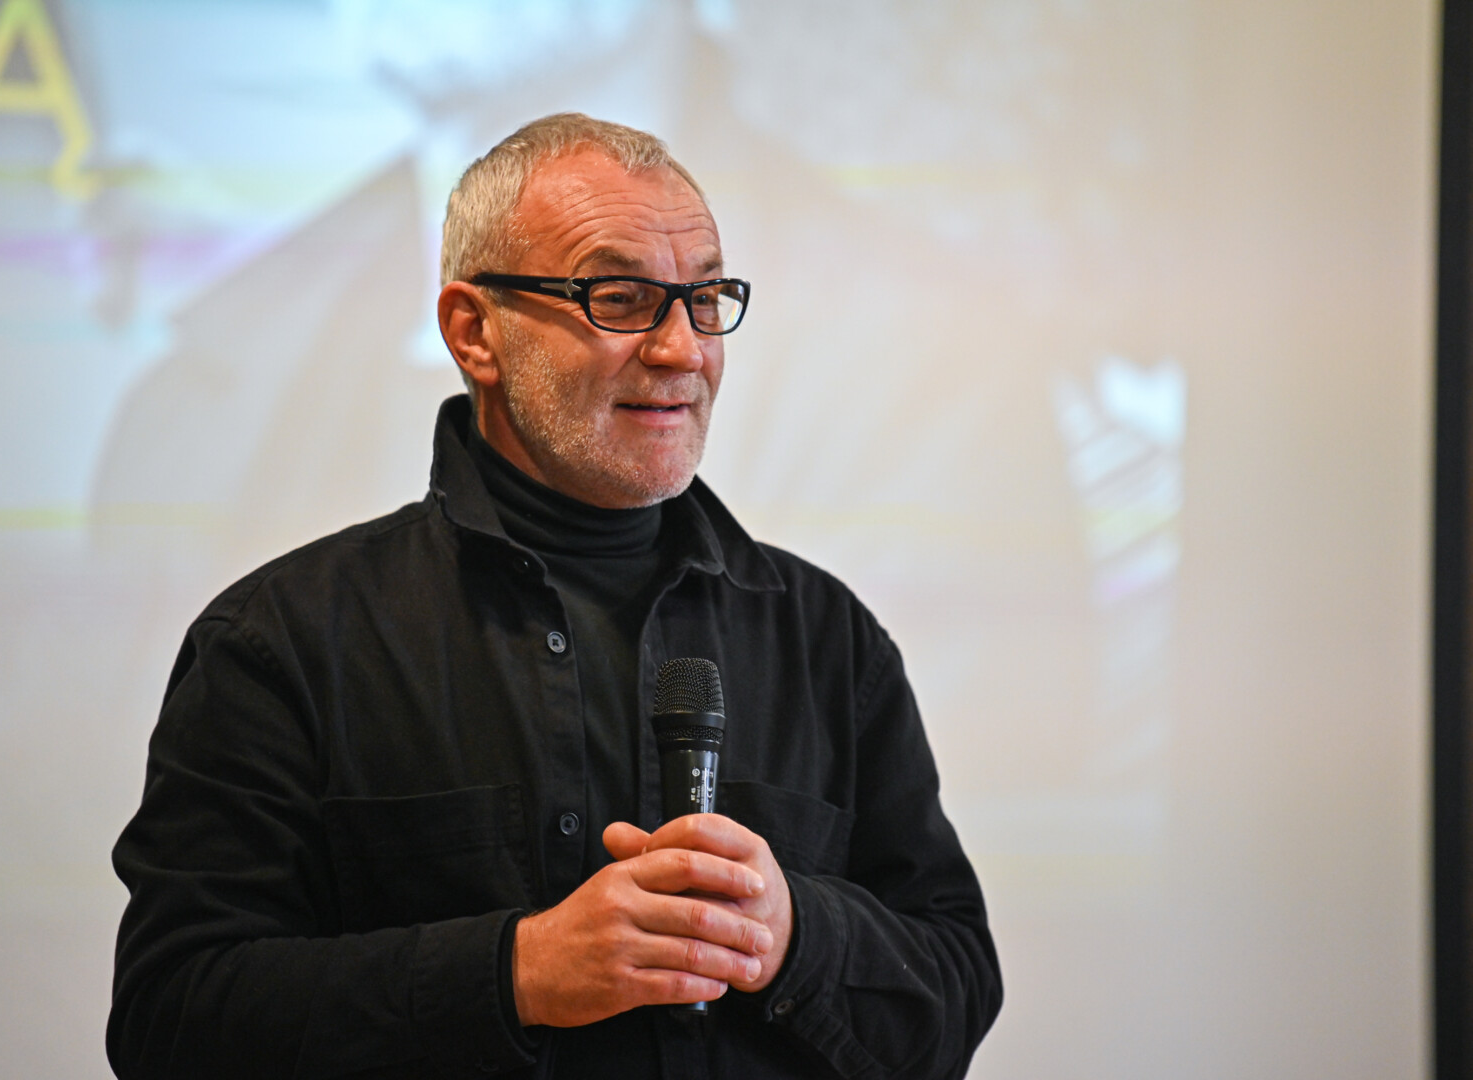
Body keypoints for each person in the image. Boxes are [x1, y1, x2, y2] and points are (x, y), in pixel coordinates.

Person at [108, 113, 1001, 1079]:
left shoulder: (825, 637)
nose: (681, 350)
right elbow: (174, 1019)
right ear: (474, 332)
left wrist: (793, 935)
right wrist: (516, 973)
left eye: (704, 299)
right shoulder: (283, 640)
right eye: (619, 299)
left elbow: (954, 990)